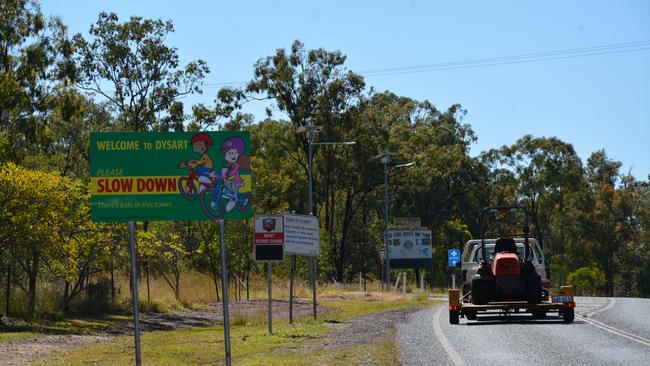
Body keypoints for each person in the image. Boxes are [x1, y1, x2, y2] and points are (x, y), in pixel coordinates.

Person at [219, 136, 251, 211]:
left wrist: (226, 174)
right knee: (227, 181)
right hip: (233, 179)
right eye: (228, 153)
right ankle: (229, 193)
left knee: (234, 194)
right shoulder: (231, 164)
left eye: (232, 153)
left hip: (238, 180)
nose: (231, 155)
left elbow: (233, 172)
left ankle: (233, 200)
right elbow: (227, 171)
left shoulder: (237, 164)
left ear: (238, 153)